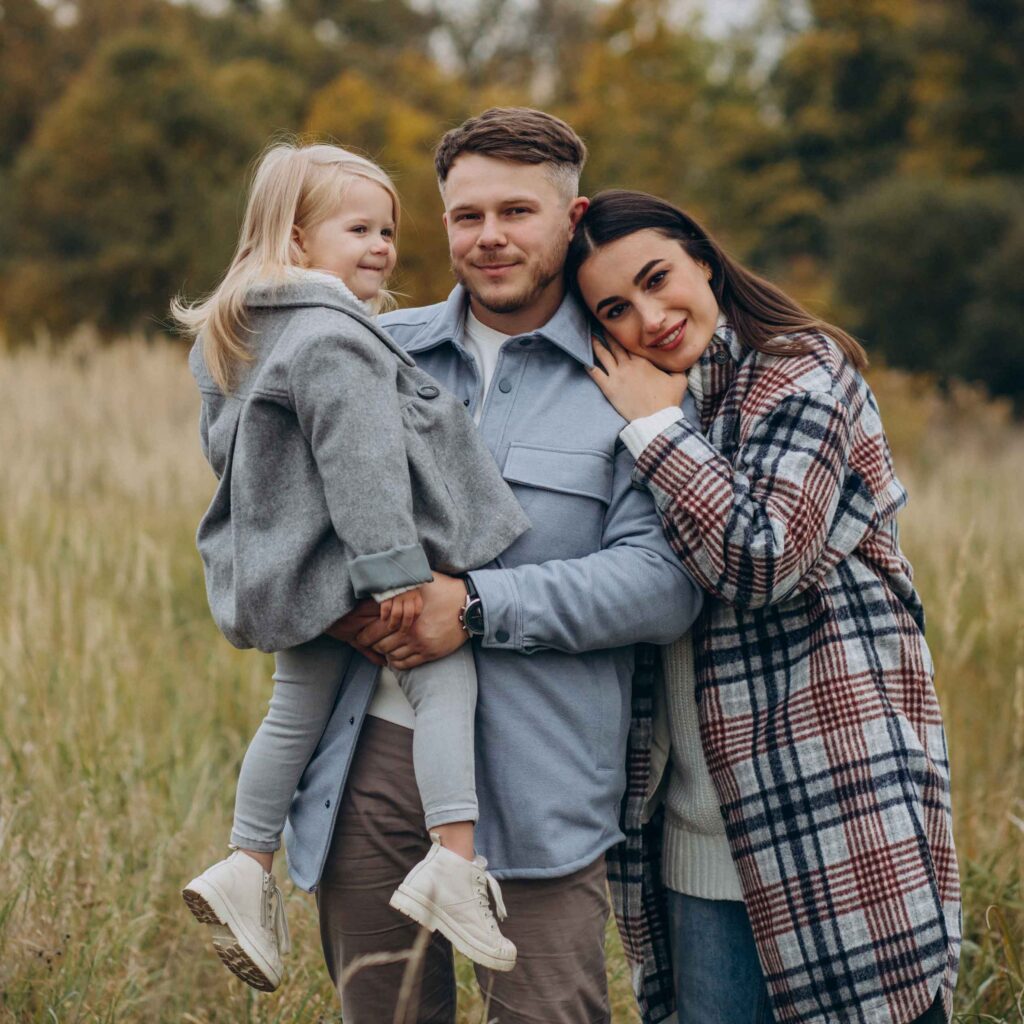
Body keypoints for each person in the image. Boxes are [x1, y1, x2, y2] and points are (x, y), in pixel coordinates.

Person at [281, 110, 704, 1023]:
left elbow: (664, 584)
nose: (491, 237)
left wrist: (469, 606)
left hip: (542, 777)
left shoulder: (627, 375)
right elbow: (276, 511)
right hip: (370, 764)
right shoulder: (368, 350)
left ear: (570, 216)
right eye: (467, 215)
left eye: (518, 211)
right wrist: (328, 605)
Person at [566, 189, 961, 1024]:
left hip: (837, 828)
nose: (651, 315)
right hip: (696, 852)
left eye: (657, 277)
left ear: (703, 259)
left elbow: (764, 556)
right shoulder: (634, 404)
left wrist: (656, 435)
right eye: (616, 308)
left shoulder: (800, 372)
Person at [172, 142, 534, 992]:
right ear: (297, 242)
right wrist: (398, 574)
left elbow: (234, 460)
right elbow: (360, 463)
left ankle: (246, 863)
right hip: (362, 567)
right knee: (445, 674)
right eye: (359, 228)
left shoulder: (237, 331)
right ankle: (453, 860)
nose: (381, 246)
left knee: (293, 709)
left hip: (294, 570)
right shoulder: (335, 338)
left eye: (389, 230)